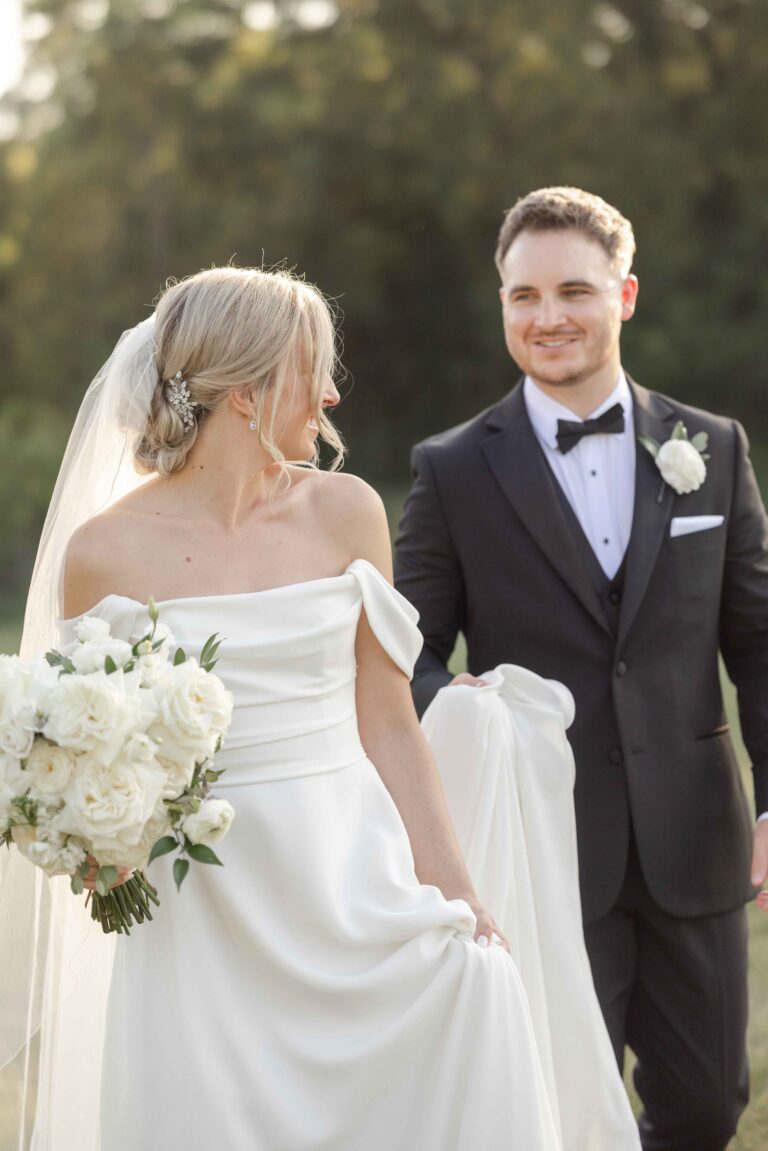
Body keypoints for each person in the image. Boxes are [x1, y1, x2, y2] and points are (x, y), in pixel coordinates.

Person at [1, 265, 578, 1151]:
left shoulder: (347, 512)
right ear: (246, 391)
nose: (334, 393)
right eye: (314, 371)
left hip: (348, 876)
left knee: (477, 996)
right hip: (201, 907)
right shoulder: (103, 551)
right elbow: (77, 750)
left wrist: (456, 886)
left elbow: (388, 717)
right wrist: (97, 841)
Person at [394, 186, 768, 1151]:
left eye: (573, 290)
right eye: (523, 296)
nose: (547, 316)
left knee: (708, 1108)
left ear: (626, 295)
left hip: (697, 840)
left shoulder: (712, 450)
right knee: (561, 1112)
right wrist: (455, 700)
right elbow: (402, 652)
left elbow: (759, 642)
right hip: (542, 847)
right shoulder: (452, 470)